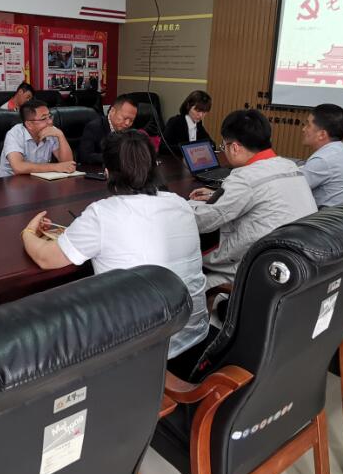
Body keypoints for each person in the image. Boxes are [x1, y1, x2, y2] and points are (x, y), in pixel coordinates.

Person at [21, 130, 208, 358]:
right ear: (154, 167)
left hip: (143, 355)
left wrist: (28, 232)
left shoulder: (103, 214)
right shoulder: (180, 204)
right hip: (195, 339)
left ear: (107, 173)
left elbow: (45, 258)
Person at [189, 109, 317, 290]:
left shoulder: (245, 177)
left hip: (258, 271)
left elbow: (205, 221)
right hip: (298, 264)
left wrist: (178, 205)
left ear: (234, 147)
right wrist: (216, 195)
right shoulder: (291, 167)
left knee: (188, 286)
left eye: (224, 146)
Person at [299, 103, 343, 206]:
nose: (303, 129)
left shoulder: (323, 160)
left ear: (322, 134)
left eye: (308, 125)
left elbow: (290, 187)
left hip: (334, 216)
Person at [0, 99, 76, 178]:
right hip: (10, 182)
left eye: (50, 116)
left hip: (37, 181)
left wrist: (61, 136)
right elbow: (18, 167)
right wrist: (56, 167)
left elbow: (68, 164)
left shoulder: (52, 131)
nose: (50, 122)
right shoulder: (15, 134)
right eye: (44, 118)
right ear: (29, 124)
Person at [77, 95, 138, 165]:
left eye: (131, 120)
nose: (127, 123)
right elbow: (85, 156)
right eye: (125, 118)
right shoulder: (94, 127)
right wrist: (115, 158)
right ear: (112, 111)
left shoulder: (131, 129)